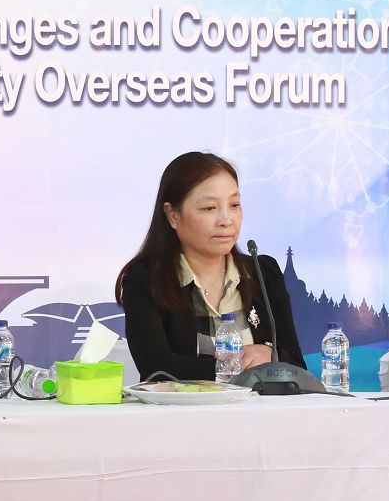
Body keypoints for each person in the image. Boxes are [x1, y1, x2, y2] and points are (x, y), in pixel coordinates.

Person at [115, 152, 300, 382]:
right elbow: (157, 368)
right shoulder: (145, 280)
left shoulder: (263, 273)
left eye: (234, 205)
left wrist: (272, 355)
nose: (226, 220)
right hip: (183, 406)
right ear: (172, 215)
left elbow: (296, 364)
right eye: (210, 208)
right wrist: (235, 368)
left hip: (260, 406)